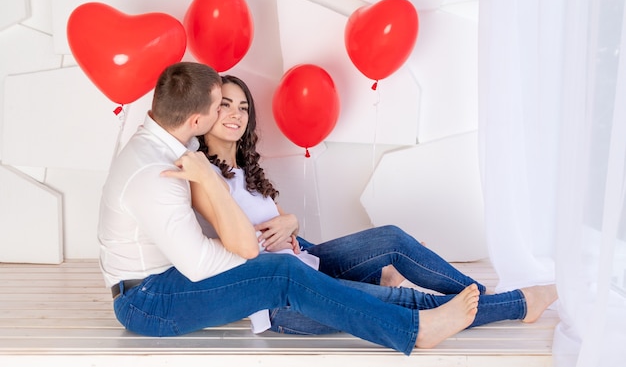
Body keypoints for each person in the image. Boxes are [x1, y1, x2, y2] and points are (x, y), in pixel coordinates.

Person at [97, 61, 485, 356]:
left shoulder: (173, 147)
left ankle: (482, 301)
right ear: (197, 119)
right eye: (219, 107)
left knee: (293, 267)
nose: (226, 115)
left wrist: (288, 243)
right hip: (147, 300)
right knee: (281, 272)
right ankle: (413, 331)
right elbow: (201, 265)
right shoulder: (157, 171)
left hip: (165, 279)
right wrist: (268, 266)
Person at [195, 74, 558, 336]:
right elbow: (239, 245)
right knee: (398, 301)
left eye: (243, 107)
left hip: (309, 265)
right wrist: (285, 228)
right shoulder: (204, 175)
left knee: (392, 239)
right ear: (206, 112)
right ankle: (520, 304)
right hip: (285, 303)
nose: (236, 114)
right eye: (225, 105)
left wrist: (290, 221)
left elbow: (277, 233)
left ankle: (479, 291)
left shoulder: (244, 172)